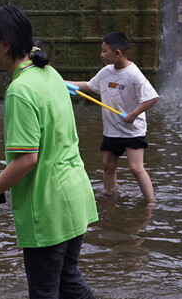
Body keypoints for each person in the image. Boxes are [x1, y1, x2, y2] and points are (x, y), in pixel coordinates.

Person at [0, 5, 107, 299]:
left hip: (47, 206)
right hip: (75, 197)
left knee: (43, 292)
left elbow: (26, 160)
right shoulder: (50, 74)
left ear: (5, 44)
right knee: (68, 278)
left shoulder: (19, 91)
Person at [68, 31, 159, 203]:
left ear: (117, 53)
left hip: (132, 131)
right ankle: (110, 195)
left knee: (135, 168)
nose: (101, 55)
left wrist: (133, 114)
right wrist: (63, 82)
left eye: (104, 51)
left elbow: (152, 97)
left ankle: (150, 203)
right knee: (108, 165)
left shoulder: (134, 74)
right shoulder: (106, 72)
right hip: (112, 129)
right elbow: (88, 86)